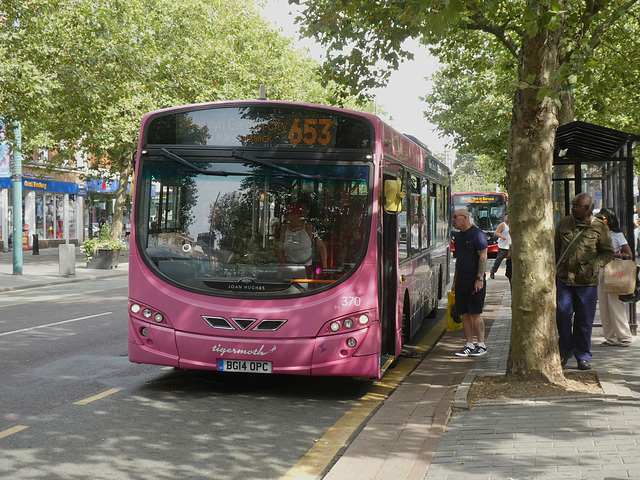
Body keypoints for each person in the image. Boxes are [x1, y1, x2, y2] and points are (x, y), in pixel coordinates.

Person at [555, 193, 614, 370]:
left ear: (587, 208)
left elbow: (607, 252)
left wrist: (592, 266)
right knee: (563, 315)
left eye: (577, 206)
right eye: (572, 205)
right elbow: (555, 247)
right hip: (564, 279)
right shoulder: (564, 222)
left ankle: (582, 354)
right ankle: (564, 350)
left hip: (586, 282)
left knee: (584, 320)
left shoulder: (599, 227)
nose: (573, 208)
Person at [451, 208, 489, 357]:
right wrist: (455, 281)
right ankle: (468, 344)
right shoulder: (458, 238)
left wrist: (480, 278)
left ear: (465, 218)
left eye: (455, 217)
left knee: (475, 313)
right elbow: (458, 261)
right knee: (465, 314)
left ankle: (481, 344)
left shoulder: (478, 234)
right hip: (462, 281)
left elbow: (483, 256)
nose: (453, 220)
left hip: (475, 282)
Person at [596, 208, 634, 347]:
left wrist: (613, 255)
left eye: (602, 218)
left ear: (609, 219)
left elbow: (628, 254)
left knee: (615, 305)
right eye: (598, 218)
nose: (600, 220)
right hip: (601, 270)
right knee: (604, 306)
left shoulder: (617, 235)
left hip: (613, 271)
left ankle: (624, 336)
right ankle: (610, 338)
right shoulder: (597, 233)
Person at [279, 202, 327, 269]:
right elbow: (280, 249)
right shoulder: (284, 228)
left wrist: (325, 267)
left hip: (307, 267)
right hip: (289, 267)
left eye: (287, 215)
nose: (285, 217)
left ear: (296, 215)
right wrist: (283, 266)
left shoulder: (308, 227)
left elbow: (322, 247)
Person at [489, 214, 510, 279]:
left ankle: (509, 273)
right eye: (507, 217)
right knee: (499, 260)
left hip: (510, 246)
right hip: (503, 246)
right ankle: (493, 271)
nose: (508, 219)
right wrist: (501, 236)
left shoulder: (512, 225)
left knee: (510, 261)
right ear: (505, 218)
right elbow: (496, 233)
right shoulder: (502, 225)